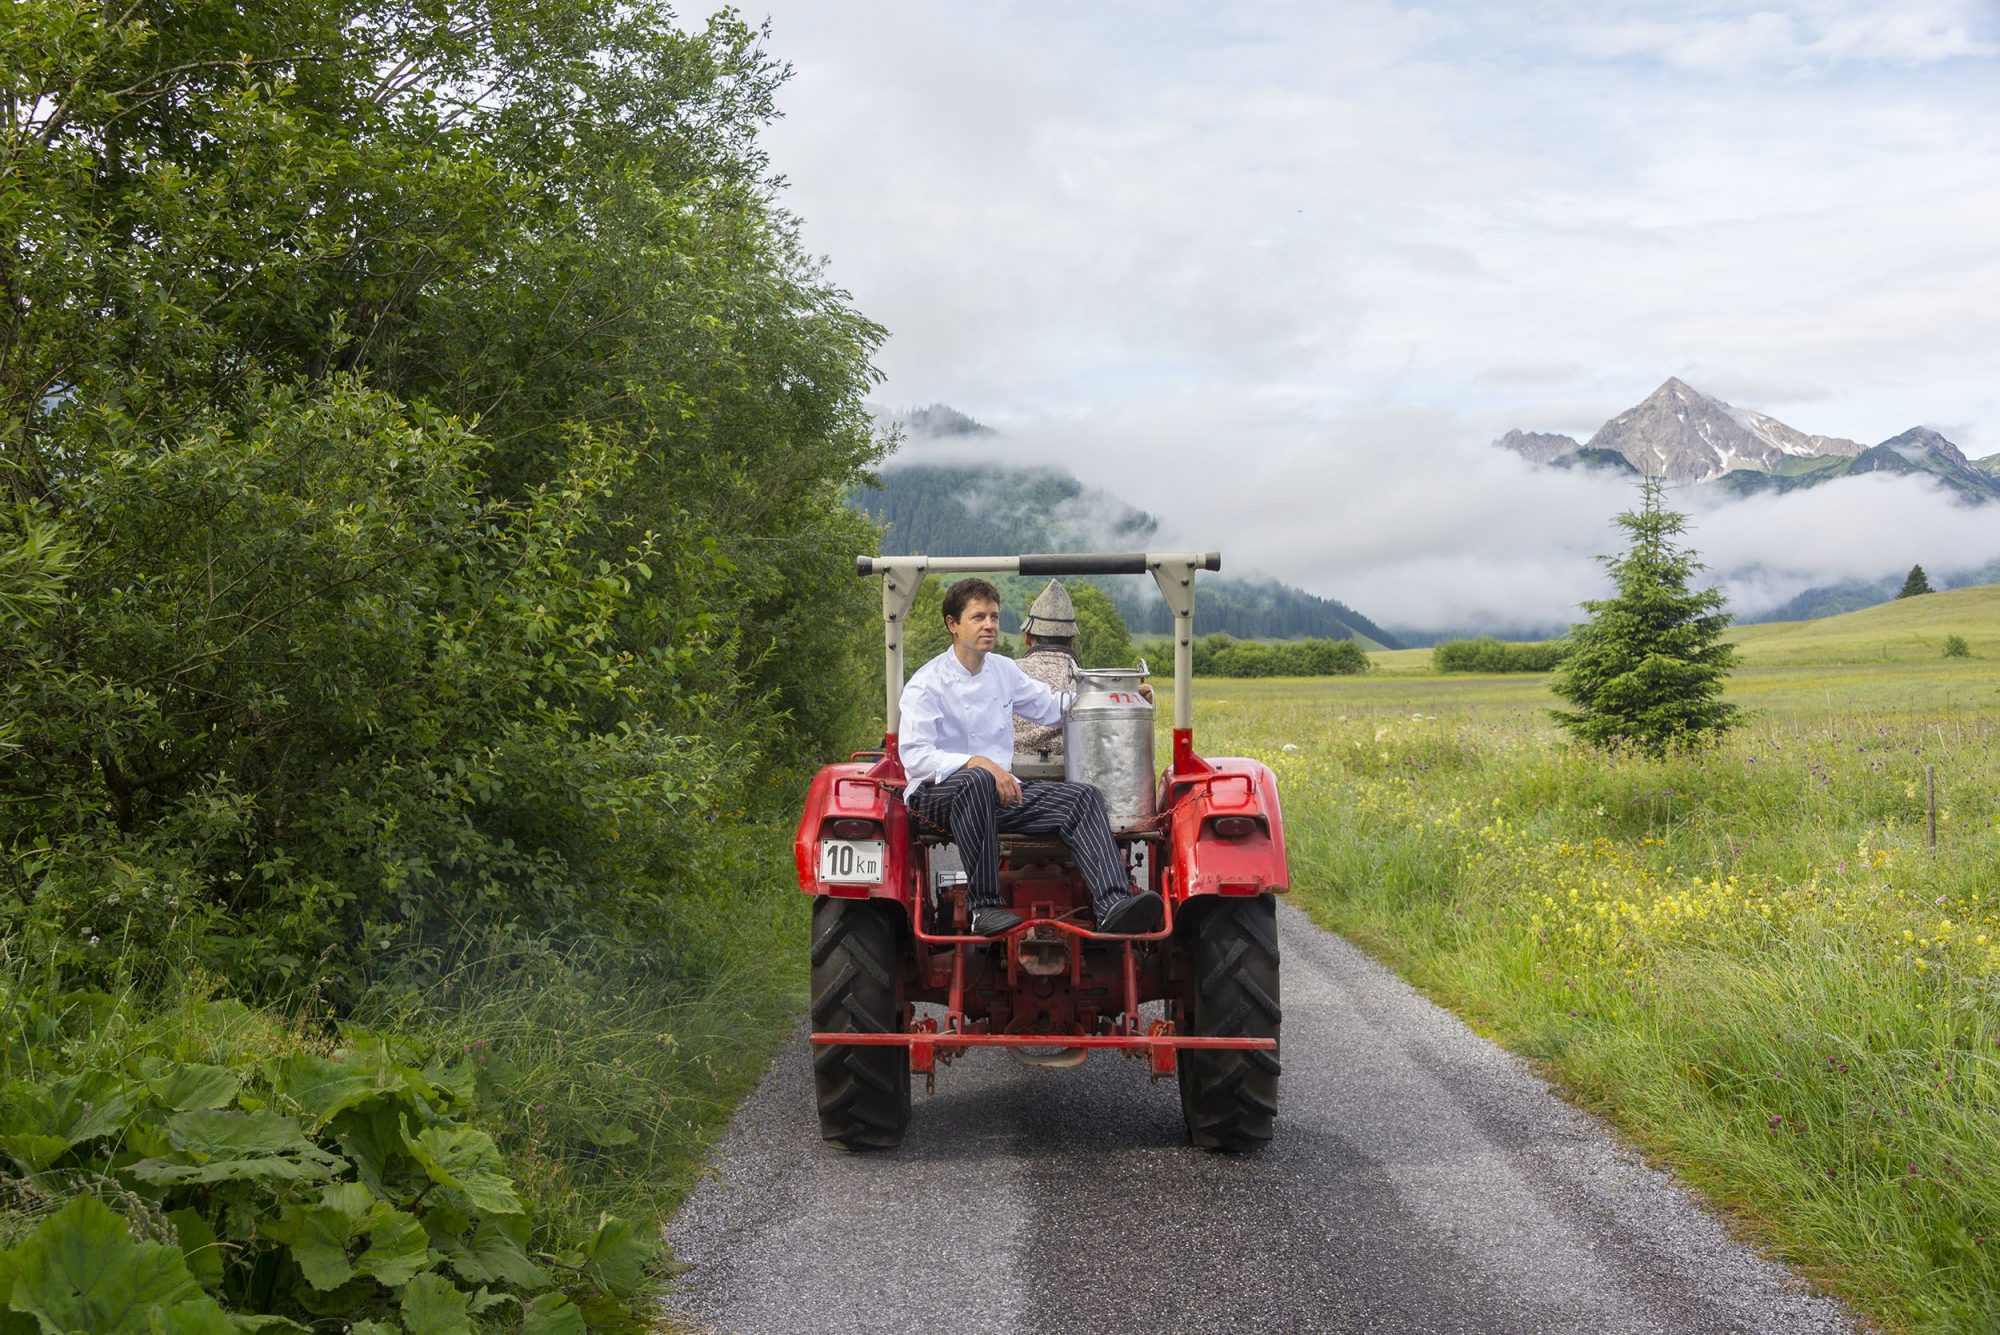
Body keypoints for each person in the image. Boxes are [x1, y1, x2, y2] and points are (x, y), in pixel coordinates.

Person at [901, 577, 1164, 938]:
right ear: (952, 624)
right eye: (978, 617)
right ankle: (984, 909)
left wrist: (1121, 698)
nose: (990, 625)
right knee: (978, 780)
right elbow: (915, 757)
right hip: (937, 794)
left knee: (1082, 798)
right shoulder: (927, 683)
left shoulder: (1004, 670)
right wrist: (982, 764)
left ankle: (1112, 905)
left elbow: (1056, 707)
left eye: (994, 616)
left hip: (994, 793)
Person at [1013, 579, 1079, 765]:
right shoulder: (1089, 684)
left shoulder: (1006, 673)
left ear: (1027, 638)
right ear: (1071, 641)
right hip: (1071, 780)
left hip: (1009, 781)